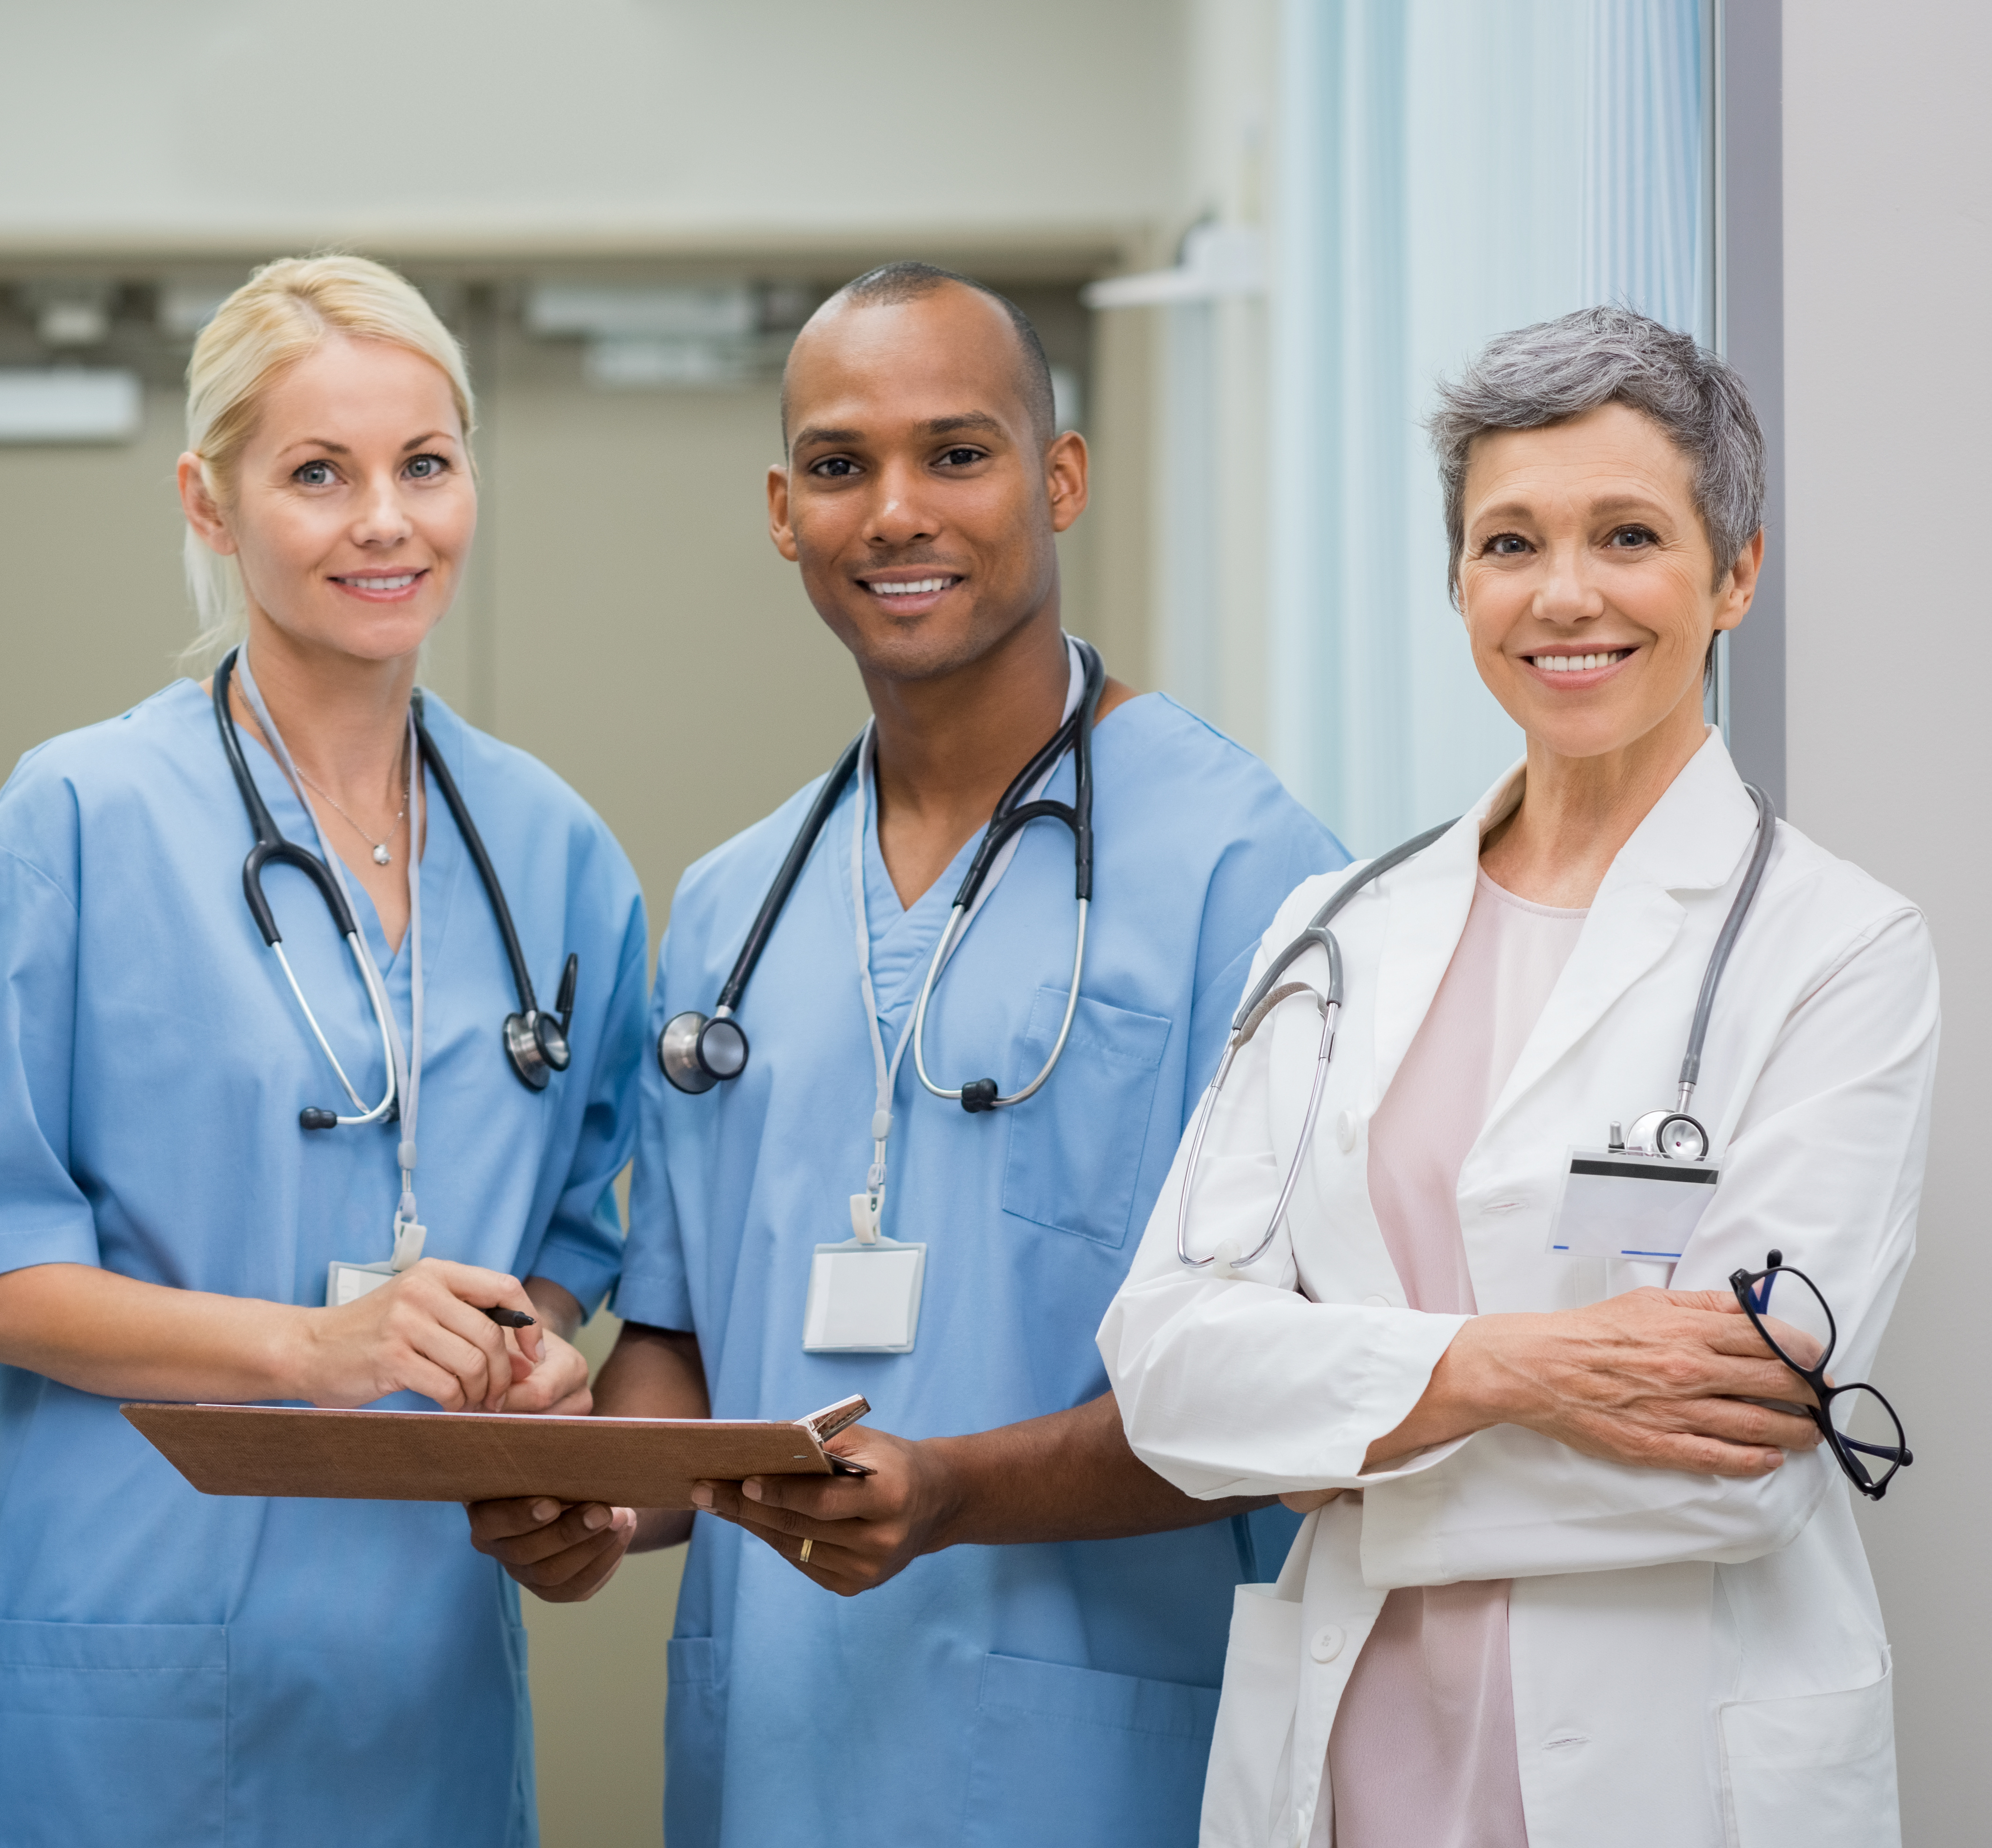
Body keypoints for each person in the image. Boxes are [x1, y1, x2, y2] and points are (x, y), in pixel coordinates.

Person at [467, 263, 1349, 1845]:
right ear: (780, 510)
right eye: (838, 464)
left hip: (1098, 1756)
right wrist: (595, 1489)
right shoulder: (737, 905)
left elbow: (1292, 1382)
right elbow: (677, 1350)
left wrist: (950, 1492)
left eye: (958, 452)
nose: (895, 511)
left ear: (1060, 476)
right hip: (782, 1761)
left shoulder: (1250, 869)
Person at [1100, 306, 1932, 1846]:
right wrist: (1519, 1368)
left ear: (1734, 574)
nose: (1565, 596)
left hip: (1673, 1762)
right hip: (1355, 1761)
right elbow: (1167, 1374)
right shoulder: (1341, 927)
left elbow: (1736, 1473)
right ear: (1458, 581)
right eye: (1508, 543)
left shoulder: (1839, 950)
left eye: (1628, 535)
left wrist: (1346, 1454)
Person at [0, 254, 648, 1846]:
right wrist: (314, 1352)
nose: (384, 520)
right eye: (318, 472)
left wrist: (537, 1366)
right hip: (123, 1645)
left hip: (419, 1670)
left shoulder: (559, 853)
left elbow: (582, 1235)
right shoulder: (77, 821)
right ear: (209, 499)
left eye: (426, 466)